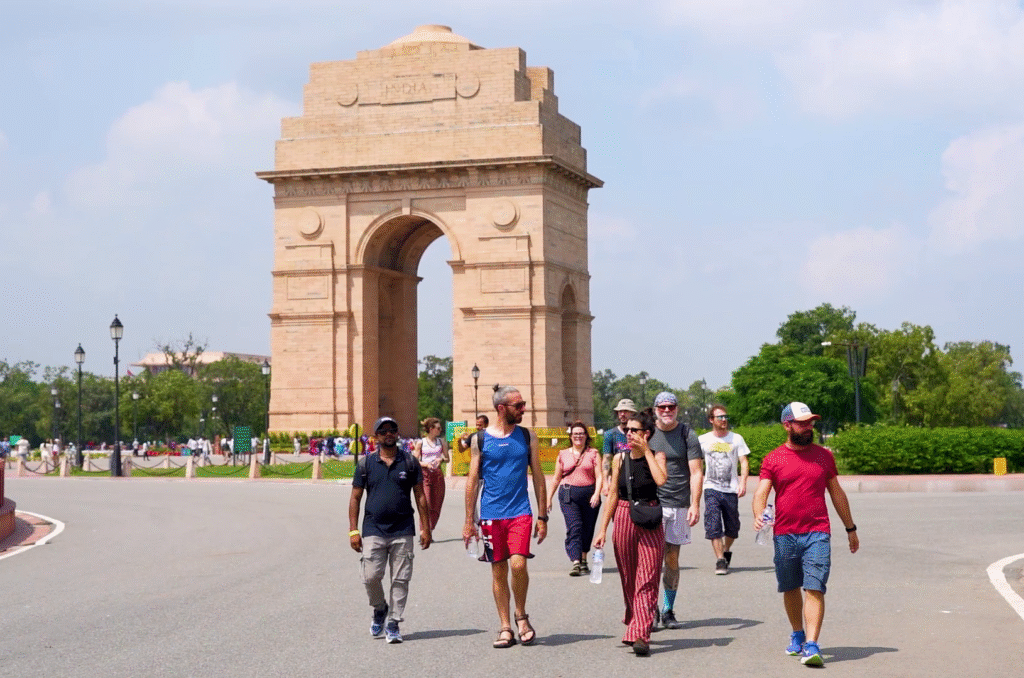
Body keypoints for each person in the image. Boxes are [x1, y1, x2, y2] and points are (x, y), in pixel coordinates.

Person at [753, 402, 860, 668]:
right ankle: (798, 634)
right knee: (789, 587)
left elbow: (837, 493)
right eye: (802, 423)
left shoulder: (824, 456)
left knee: (814, 586)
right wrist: (758, 514)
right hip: (785, 533)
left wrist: (851, 528)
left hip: (818, 532)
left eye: (811, 422)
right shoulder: (774, 458)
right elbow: (761, 493)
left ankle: (812, 644)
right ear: (787, 425)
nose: (808, 427)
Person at [463, 385, 547, 649]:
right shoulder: (480, 440)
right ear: (502, 408)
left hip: (520, 511)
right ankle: (505, 626)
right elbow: (473, 480)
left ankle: (521, 616)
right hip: (490, 514)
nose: (523, 409)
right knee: (498, 570)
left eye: (523, 404)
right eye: (518, 405)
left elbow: (539, 477)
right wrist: (469, 521)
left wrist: (542, 515)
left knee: (519, 565)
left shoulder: (526, 436)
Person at [348, 416, 432, 645]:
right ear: (375, 436)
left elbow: (420, 495)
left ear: (397, 433)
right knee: (370, 575)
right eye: (383, 431)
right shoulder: (366, 463)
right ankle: (380, 608)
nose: (388, 434)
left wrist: (427, 528)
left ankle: (394, 622)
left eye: (392, 430)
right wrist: (353, 531)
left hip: (403, 528)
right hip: (373, 528)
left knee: (401, 578)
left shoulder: (410, 462)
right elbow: (355, 497)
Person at [593, 408, 668, 656]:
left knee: (647, 578)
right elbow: (613, 493)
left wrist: (646, 451)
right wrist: (603, 529)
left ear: (646, 434)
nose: (628, 434)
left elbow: (660, 480)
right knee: (629, 577)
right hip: (624, 517)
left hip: (649, 518)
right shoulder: (619, 459)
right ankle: (636, 618)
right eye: (626, 430)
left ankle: (640, 635)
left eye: (633, 430)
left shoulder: (658, 455)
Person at [647, 392, 703, 629]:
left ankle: (668, 609)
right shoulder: (647, 432)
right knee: (650, 559)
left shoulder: (687, 433)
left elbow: (697, 472)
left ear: (677, 409)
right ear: (655, 409)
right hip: (653, 503)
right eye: (662, 407)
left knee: (671, 558)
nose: (667, 411)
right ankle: (649, 609)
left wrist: (695, 504)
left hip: (679, 503)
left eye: (671, 406)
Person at [546, 421, 603, 576]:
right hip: (568, 494)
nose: (578, 436)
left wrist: (597, 494)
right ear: (570, 437)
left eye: (581, 433)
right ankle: (575, 561)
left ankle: (584, 558)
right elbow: (556, 478)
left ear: (586, 436)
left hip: (589, 494)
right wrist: (548, 498)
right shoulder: (563, 454)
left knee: (587, 527)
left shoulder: (593, 453)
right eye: (575, 434)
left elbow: (599, 476)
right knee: (575, 526)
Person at [698, 404, 750, 575]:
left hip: (731, 489)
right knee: (713, 523)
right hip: (711, 487)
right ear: (711, 420)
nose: (724, 420)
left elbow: (743, 462)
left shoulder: (736, 439)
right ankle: (720, 560)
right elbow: (697, 465)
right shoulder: (703, 440)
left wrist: (743, 482)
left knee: (733, 528)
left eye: (726, 417)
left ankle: (726, 549)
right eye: (720, 417)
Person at [412, 417, 450, 531]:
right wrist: (426, 464)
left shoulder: (441, 442)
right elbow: (414, 461)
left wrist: (441, 460)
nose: (440, 430)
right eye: (438, 428)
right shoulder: (421, 443)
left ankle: (429, 529)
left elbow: (447, 458)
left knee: (436, 505)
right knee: (426, 503)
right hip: (425, 475)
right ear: (431, 429)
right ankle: (423, 530)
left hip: (437, 475)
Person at [601, 399, 637, 494]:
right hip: (618, 479)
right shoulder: (610, 434)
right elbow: (606, 459)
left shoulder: (639, 432)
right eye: (620, 411)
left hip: (637, 478)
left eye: (626, 411)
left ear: (633, 413)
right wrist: (605, 483)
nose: (622, 414)